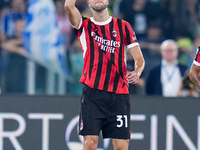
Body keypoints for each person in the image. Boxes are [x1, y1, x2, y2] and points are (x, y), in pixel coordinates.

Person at [64, 0, 145, 149]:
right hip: (93, 93)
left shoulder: (123, 26)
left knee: (121, 145)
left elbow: (139, 58)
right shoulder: (84, 25)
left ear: (108, 1)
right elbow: (69, 6)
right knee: (89, 144)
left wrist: (137, 71)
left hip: (119, 94)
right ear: (88, 3)